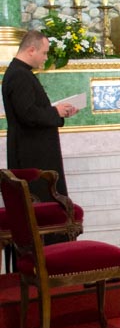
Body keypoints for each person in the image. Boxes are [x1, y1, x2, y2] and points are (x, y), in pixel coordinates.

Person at [2, 30, 78, 201]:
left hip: (33, 150)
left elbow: (30, 109)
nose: (45, 58)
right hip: (31, 153)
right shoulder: (19, 75)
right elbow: (28, 114)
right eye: (44, 53)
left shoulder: (21, 72)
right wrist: (55, 111)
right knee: (40, 202)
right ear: (31, 50)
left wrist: (58, 111)